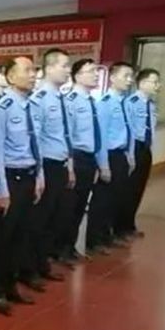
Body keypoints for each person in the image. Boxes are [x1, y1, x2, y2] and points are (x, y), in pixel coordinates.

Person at [0, 56, 43, 317]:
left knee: (21, 236)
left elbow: (36, 145)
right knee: (2, 238)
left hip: (29, 176)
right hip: (10, 178)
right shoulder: (2, 108)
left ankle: (11, 284)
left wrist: (39, 176)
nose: (32, 75)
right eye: (27, 70)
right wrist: (0, 189)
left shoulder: (32, 106)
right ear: (10, 76)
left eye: (34, 70)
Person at [18, 48, 73, 291]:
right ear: (49, 68)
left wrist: (69, 165)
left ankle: (43, 264)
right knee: (37, 221)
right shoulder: (39, 99)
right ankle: (28, 269)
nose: (68, 70)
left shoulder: (62, 98)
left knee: (53, 219)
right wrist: (39, 173)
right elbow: (36, 140)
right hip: (46, 166)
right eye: (64, 65)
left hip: (60, 164)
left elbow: (64, 136)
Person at [86, 61, 135, 256]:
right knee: (102, 200)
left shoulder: (125, 102)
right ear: (113, 78)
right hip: (109, 156)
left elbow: (129, 131)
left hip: (122, 155)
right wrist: (103, 165)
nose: (129, 80)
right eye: (125, 76)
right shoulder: (104, 103)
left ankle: (107, 235)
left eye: (131, 76)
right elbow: (102, 137)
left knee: (116, 198)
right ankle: (94, 240)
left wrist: (130, 155)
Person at [57, 58, 102, 265]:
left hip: (89, 158)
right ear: (77, 76)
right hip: (76, 158)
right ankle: (60, 249)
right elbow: (67, 135)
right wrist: (70, 165)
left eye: (96, 71)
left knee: (81, 204)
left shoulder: (91, 101)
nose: (95, 75)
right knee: (69, 207)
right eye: (90, 71)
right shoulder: (71, 100)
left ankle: (71, 245)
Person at [122, 68, 160, 240]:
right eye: (154, 82)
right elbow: (128, 129)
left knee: (139, 189)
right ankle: (120, 227)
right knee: (128, 189)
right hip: (134, 148)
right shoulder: (131, 102)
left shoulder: (151, 104)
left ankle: (129, 224)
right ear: (143, 83)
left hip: (146, 148)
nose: (158, 85)